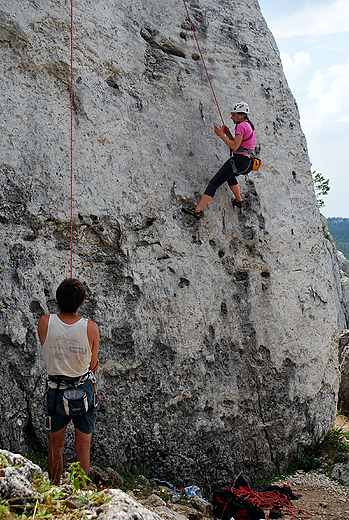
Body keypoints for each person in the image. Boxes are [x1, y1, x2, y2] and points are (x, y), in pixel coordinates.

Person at [38, 278, 100, 485]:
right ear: (81, 303)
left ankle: (55, 485)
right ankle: (81, 491)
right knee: (83, 447)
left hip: (56, 390)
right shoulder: (91, 328)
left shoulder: (45, 322)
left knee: (55, 446)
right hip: (83, 390)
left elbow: (47, 349)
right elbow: (92, 365)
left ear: (57, 299)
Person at [182, 101, 256, 218]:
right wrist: (228, 134)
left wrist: (220, 135)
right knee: (230, 176)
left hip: (239, 160)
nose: (231, 117)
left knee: (214, 183)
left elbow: (234, 146)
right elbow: (239, 143)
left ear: (241, 115)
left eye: (233, 115)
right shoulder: (248, 125)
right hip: (247, 163)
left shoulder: (241, 126)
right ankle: (238, 201)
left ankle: (197, 210)